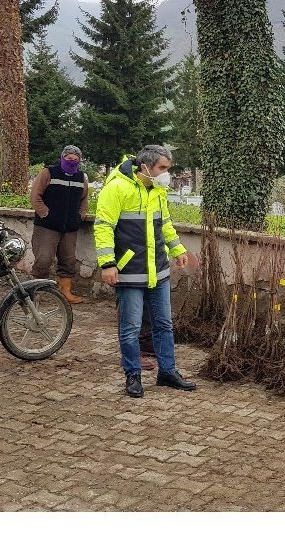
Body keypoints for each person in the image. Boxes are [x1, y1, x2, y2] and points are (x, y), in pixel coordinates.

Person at [94, 145, 198, 397]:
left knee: (164, 325)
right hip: (129, 272)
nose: (166, 174)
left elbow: (165, 225)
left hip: (158, 271)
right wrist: (107, 263)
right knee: (130, 328)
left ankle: (167, 372)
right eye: (162, 168)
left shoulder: (158, 191)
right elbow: (103, 227)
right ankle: (133, 376)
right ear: (145, 167)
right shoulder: (116, 188)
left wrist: (178, 250)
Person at [31, 145, 90, 304]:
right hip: (47, 226)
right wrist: (45, 213)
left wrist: (81, 215)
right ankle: (36, 292)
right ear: (62, 158)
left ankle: (65, 292)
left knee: (68, 261)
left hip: (70, 228)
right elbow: (35, 196)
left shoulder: (81, 177)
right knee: (43, 260)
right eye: (69, 158)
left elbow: (84, 199)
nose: (72, 161)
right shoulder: (48, 173)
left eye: (76, 159)